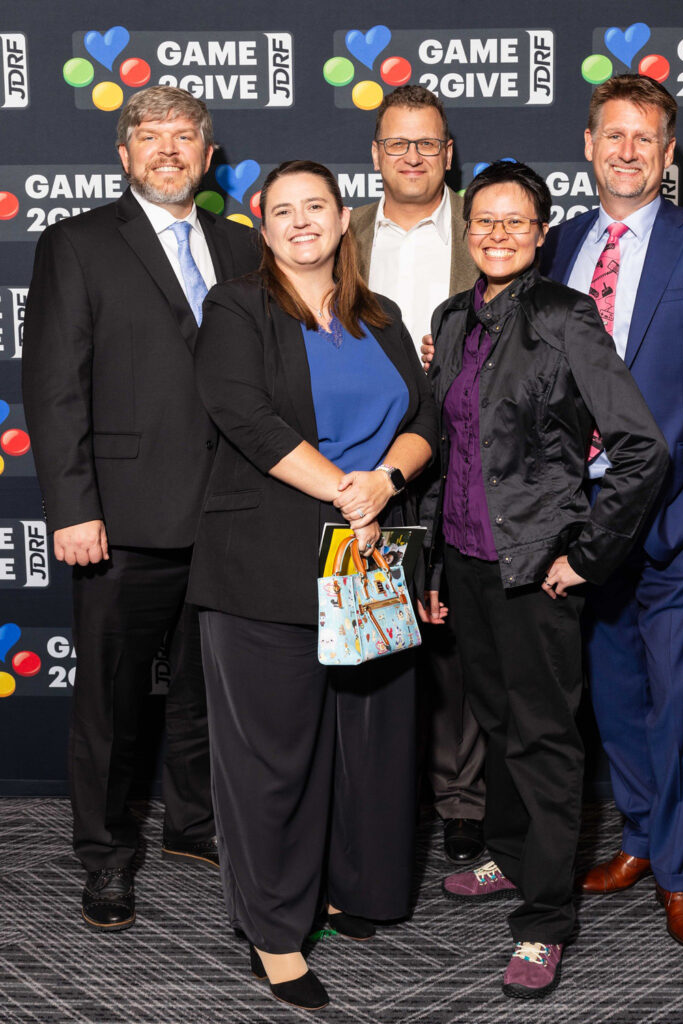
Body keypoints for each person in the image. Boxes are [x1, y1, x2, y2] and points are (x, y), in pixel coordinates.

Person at [186, 161, 437, 1010]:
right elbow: (242, 415)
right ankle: (273, 931)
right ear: (264, 229)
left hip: (371, 562)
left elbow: (423, 419)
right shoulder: (236, 308)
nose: (300, 222)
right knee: (272, 759)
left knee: (365, 742)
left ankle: (347, 888)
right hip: (265, 561)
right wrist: (345, 488)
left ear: (342, 218)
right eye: (282, 211)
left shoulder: (382, 316)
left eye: (315, 207)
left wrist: (384, 486)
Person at [419, 160, 669, 998]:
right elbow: (446, 454)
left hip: (536, 571)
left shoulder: (565, 317)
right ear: (468, 231)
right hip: (465, 560)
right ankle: (514, 856)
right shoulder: (451, 318)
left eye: (513, 222)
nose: (495, 235)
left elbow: (642, 449)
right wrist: (434, 563)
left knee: (546, 742)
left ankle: (544, 921)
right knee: (494, 723)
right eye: (482, 222)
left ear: (539, 233)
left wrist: (586, 553)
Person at [540, 74, 683, 948]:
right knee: (615, 695)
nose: (627, 150)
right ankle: (638, 838)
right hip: (579, 528)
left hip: (679, 519)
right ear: (589, 145)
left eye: (645, 137)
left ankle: (677, 873)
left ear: (667, 152)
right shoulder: (557, 244)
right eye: (613, 134)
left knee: (679, 703)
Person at [21, 86, 259, 932]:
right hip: (120, 520)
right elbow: (53, 389)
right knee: (111, 706)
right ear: (123, 156)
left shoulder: (241, 246)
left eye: (184, 135)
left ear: (206, 154)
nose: (168, 148)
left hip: (232, 518)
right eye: (149, 136)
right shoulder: (77, 243)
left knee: (210, 693)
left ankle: (194, 826)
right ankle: (105, 857)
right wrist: (73, 508)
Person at [350, 84, 484, 865]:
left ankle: (462, 800)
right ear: (375, 155)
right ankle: (377, 793)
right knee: (370, 629)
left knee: (457, 635)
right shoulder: (341, 234)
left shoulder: (485, 225)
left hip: (466, 454)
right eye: (397, 143)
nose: (411, 156)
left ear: (447, 153)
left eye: (426, 143)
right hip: (367, 459)